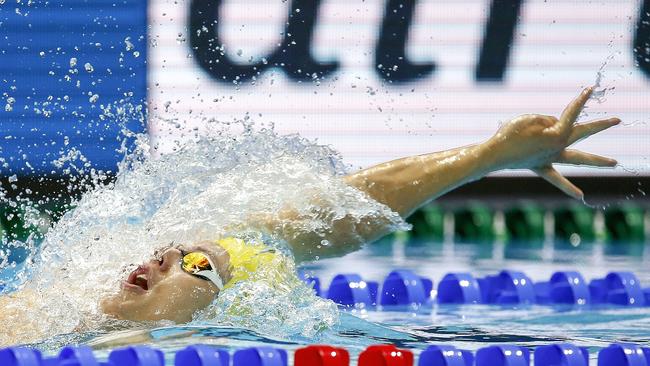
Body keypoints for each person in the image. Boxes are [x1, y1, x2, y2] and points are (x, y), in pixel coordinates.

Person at [0, 87, 620, 345]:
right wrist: (487, 155)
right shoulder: (64, 298)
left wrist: (493, 158)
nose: (163, 259)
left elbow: (342, 221)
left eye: (193, 266)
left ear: (219, 314)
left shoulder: (176, 340)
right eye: (175, 251)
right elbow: (347, 207)